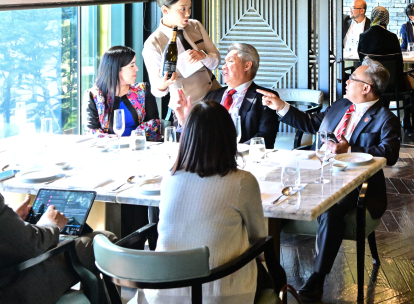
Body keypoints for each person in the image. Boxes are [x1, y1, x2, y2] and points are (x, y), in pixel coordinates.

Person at [257, 59, 400, 303]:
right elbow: (311, 123)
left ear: (366, 88)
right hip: (316, 171)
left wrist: (350, 149)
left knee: (331, 209)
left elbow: (390, 153)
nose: (347, 81)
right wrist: (280, 106)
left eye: (352, 78)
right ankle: (269, 271)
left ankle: (317, 279)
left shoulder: (385, 118)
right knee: (274, 196)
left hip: (354, 182)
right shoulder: (341, 105)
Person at [142, 97, 268, 304]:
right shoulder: (242, 182)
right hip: (220, 295)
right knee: (269, 274)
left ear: (187, 137)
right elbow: (259, 240)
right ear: (228, 137)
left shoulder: (170, 179)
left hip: (164, 293)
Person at [0, 192, 116, 304]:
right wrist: (50, 225)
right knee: (101, 240)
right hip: (10, 291)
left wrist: (12, 222)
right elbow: (32, 245)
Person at [143, 0, 221, 112]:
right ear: (165, 10)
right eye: (182, 9)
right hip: (187, 106)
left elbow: (216, 61)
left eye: (189, 8)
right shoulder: (153, 43)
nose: (188, 14)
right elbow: (157, 91)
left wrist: (203, 56)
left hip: (214, 96)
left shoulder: (195, 26)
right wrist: (164, 83)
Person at [203, 43, 280, 147]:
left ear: (247, 66)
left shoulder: (265, 98)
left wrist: (232, 151)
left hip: (244, 155)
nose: (223, 67)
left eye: (230, 61)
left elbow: (266, 138)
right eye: (225, 62)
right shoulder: (212, 96)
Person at [84, 46, 161, 140]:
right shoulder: (93, 95)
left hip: (139, 146)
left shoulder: (143, 90)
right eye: (132, 65)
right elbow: (91, 132)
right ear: (116, 69)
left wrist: (133, 137)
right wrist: (117, 141)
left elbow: (154, 124)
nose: (136, 69)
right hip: (108, 148)